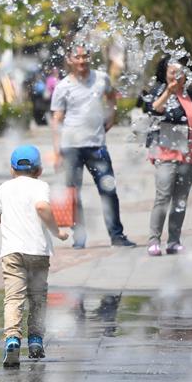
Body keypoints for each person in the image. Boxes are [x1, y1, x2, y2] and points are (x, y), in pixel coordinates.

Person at [0, 146, 68, 366]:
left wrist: (11, 218)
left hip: (12, 253)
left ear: (12, 170)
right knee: (38, 297)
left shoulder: (4, 188)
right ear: (39, 169)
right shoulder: (41, 186)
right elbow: (42, 207)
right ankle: (35, 341)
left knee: (14, 297)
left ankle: (12, 339)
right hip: (38, 252)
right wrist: (57, 231)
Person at [50, 45, 136, 248]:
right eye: (77, 57)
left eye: (85, 56)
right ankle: (79, 237)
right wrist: (57, 153)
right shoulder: (63, 86)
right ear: (70, 60)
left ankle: (117, 235)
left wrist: (111, 116)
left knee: (108, 191)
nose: (82, 61)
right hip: (71, 147)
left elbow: (112, 95)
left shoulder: (101, 78)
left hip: (96, 145)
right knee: (73, 193)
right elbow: (57, 120)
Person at [143, 56, 192, 256]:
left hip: (188, 152)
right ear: (165, 73)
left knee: (180, 199)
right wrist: (169, 91)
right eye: (172, 72)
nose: (176, 75)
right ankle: (154, 240)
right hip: (165, 151)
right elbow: (154, 110)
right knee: (162, 197)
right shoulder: (159, 91)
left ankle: (174, 240)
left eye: (180, 72)